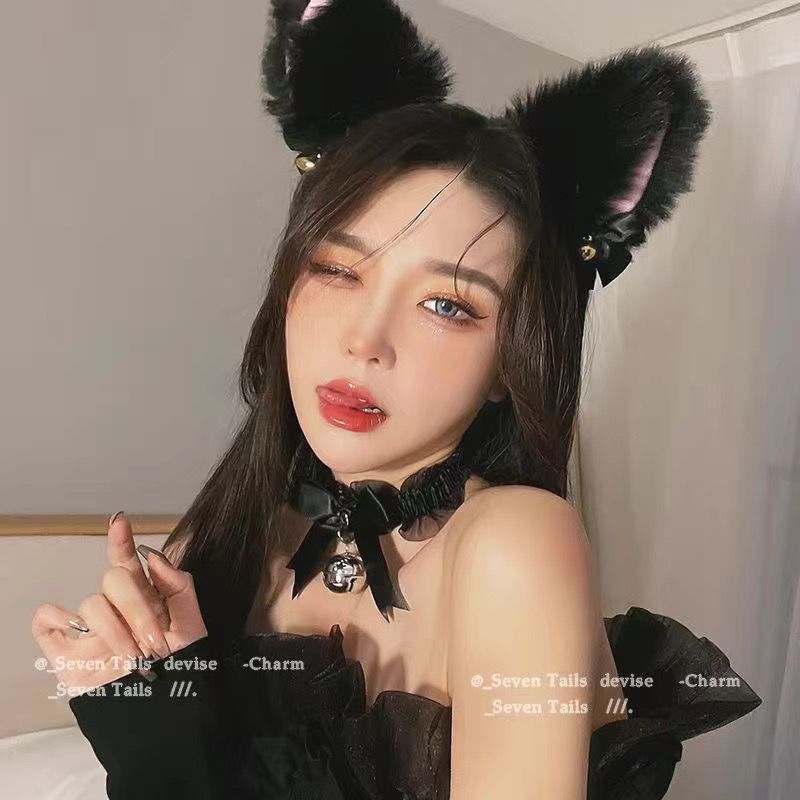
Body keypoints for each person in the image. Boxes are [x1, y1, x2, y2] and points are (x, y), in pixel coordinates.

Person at [32, 0, 762, 797]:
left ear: (511, 361)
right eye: (338, 270)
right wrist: (154, 714)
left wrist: (169, 756)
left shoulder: (515, 545)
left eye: (447, 304)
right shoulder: (228, 534)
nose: (365, 340)